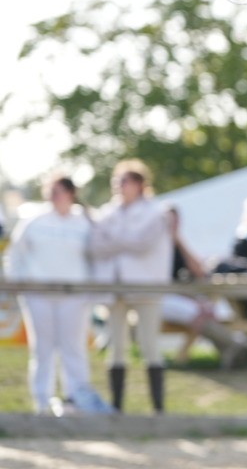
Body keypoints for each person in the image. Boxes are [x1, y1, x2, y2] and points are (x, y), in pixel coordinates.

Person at [3, 175, 111, 414]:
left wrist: (93, 291)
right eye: (51, 190)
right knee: (42, 349)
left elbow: (98, 256)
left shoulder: (84, 222)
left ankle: (75, 398)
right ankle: (42, 401)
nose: (55, 195)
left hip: (74, 296)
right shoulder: (34, 221)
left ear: (71, 193)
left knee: (73, 347)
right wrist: (20, 284)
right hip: (38, 295)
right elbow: (14, 255)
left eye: (60, 191)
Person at [89, 159, 172, 414]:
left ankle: (158, 409)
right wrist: (123, 242)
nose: (119, 186)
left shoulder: (155, 212)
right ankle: (117, 408)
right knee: (116, 347)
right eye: (117, 181)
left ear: (138, 184)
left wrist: (113, 241)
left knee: (149, 345)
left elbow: (142, 243)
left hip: (146, 287)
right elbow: (95, 246)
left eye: (124, 181)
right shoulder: (107, 213)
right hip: (115, 288)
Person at [160, 205, 247, 369]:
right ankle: (234, 344)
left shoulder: (178, 247)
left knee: (207, 307)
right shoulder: (155, 248)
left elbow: (199, 271)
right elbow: (162, 284)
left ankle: (230, 350)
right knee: (197, 311)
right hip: (160, 298)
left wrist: (179, 241)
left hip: (179, 296)